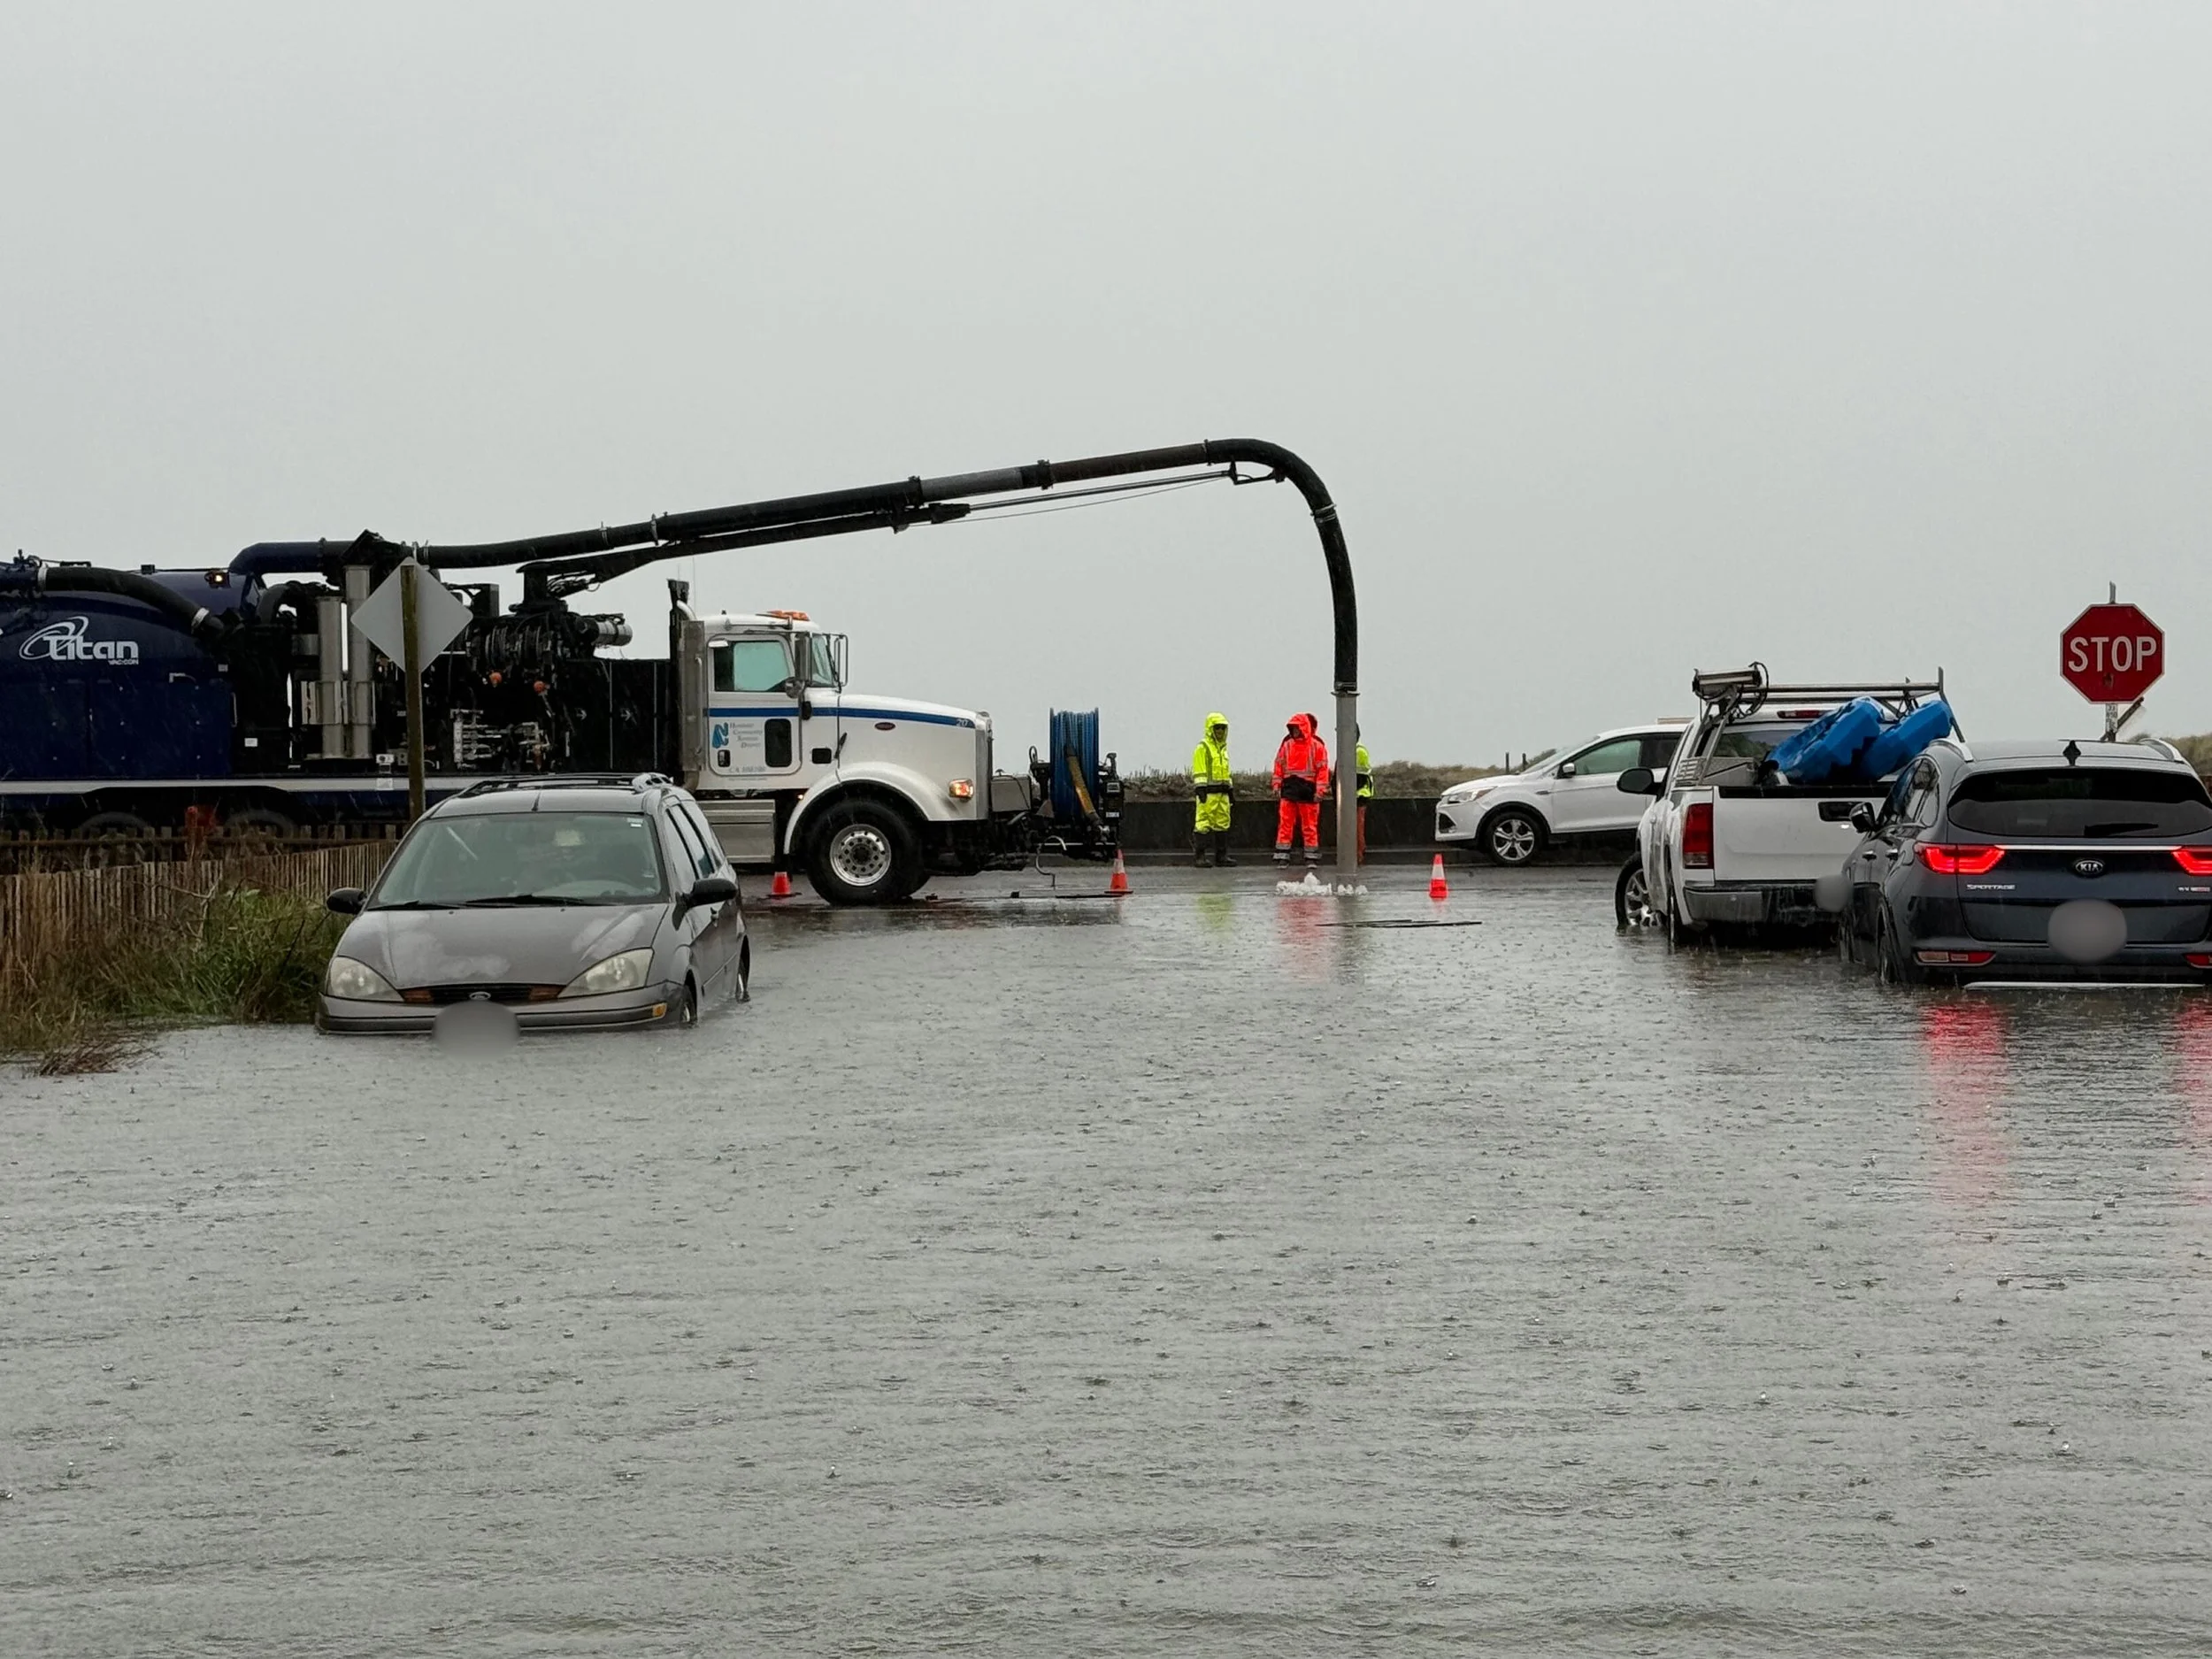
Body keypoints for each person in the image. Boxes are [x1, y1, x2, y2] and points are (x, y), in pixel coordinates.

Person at [1271, 712, 1331, 865]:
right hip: (1294, 788)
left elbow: (1322, 771)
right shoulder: (1289, 745)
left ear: (1303, 728)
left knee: (1309, 825)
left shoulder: (1316, 746)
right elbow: (1279, 766)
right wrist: (1276, 784)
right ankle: (1283, 857)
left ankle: (1310, 857)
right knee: (1286, 824)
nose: (1294, 730)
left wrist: (1320, 791)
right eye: (1293, 728)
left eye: (1296, 727)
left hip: (1305, 789)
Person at [1190, 711, 1235, 867]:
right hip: (1208, 793)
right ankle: (1200, 857)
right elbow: (1199, 769)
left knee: (1223, 823)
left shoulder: (1222, 749)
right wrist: (1200, 788)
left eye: (1223, 728)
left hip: (1222, 793)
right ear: (1211, 729)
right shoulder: (1203, 747)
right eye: (1217, 728)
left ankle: (1221, 857)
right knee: (1203, 824)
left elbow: (1225, 771)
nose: (1220, 731)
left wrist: (1230, 789)